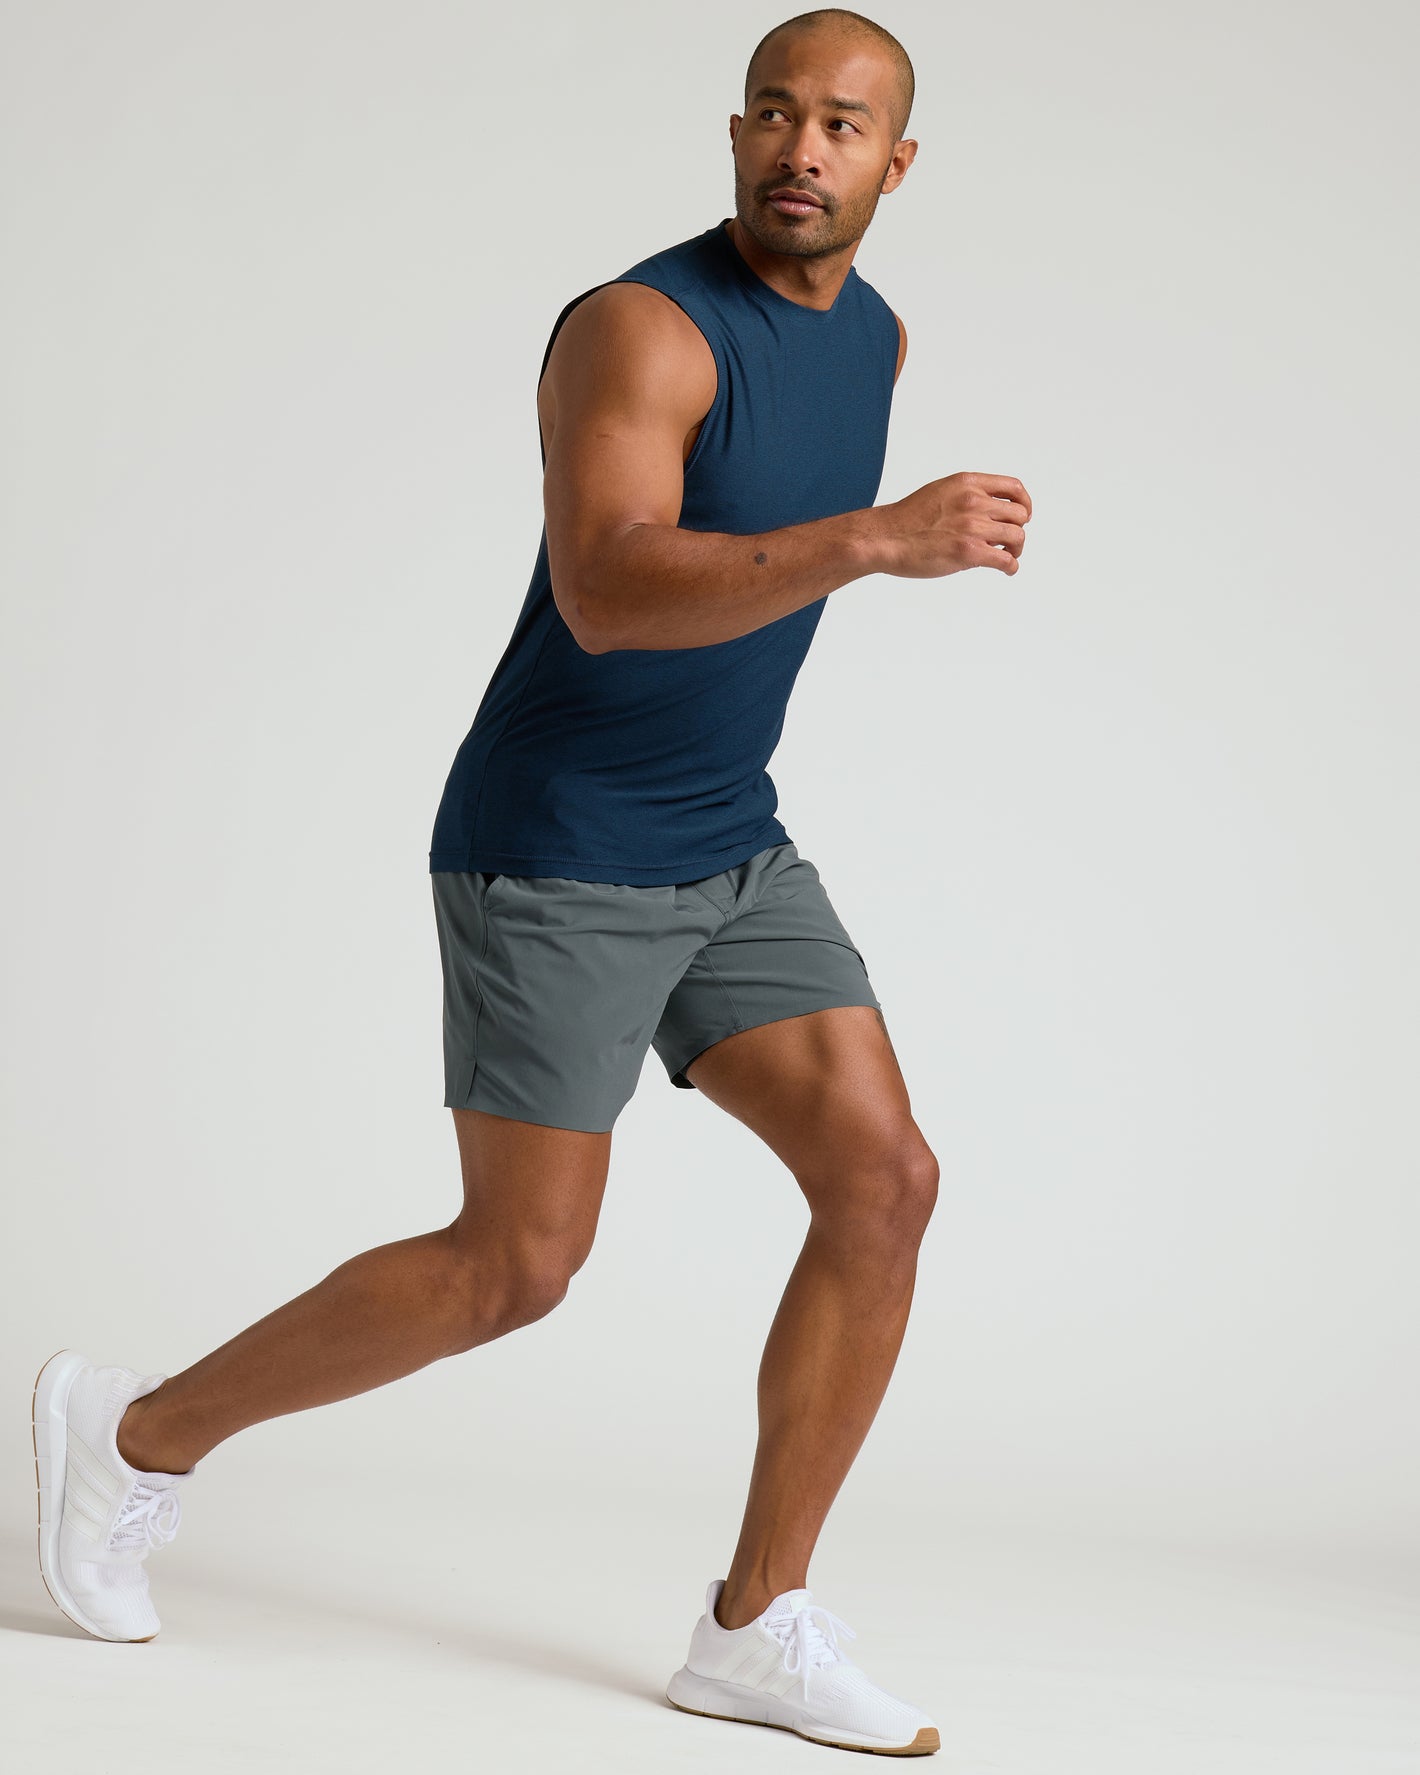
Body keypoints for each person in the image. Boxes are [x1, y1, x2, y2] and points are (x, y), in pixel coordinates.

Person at [32, 6, 1030, 1758]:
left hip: (726, 834)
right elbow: (610, 588)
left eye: (846, 127)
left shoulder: (871, 337)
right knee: (516, 1266)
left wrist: (850, 559)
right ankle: (129, 1437)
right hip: (559, 845)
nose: (807, 150)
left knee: (886, 1183)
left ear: (898, 161)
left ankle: (755, 1623)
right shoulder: (639, 330)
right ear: (734, 135)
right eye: (779, 117)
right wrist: (874, 544)